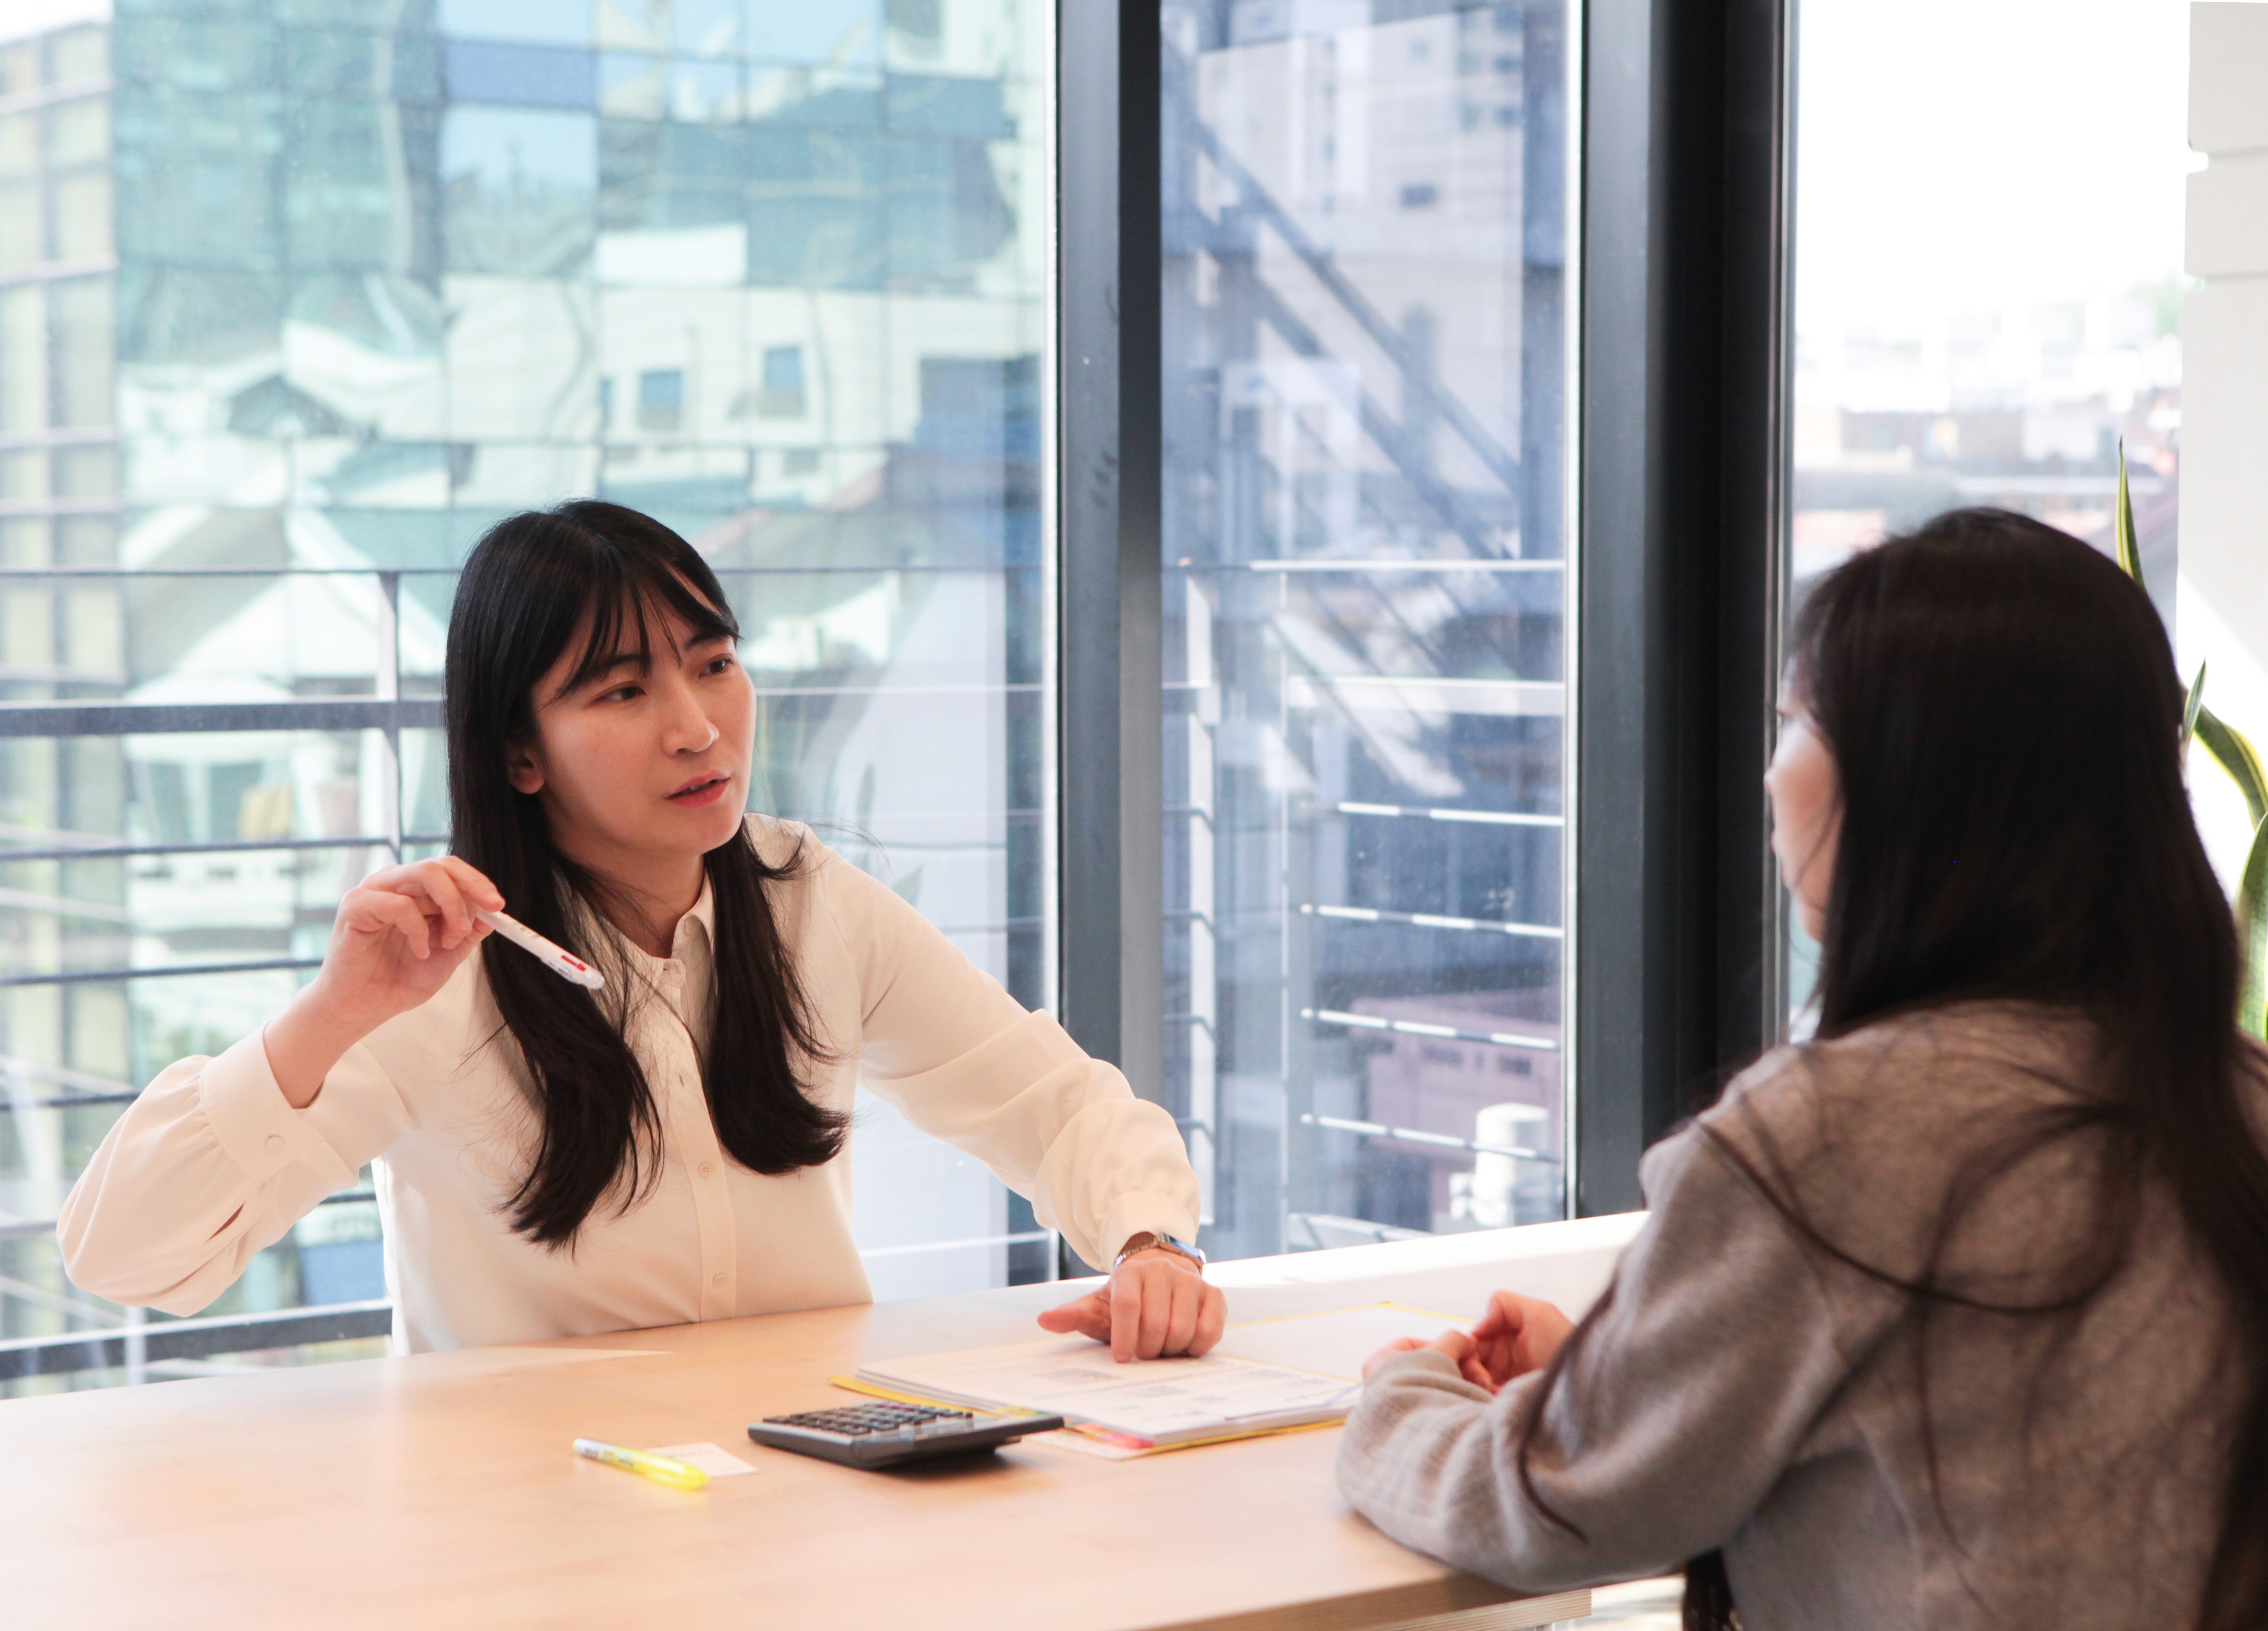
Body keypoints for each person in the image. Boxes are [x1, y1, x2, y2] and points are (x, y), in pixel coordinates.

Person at [1337, 509, 2268, 1630]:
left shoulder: (1828, 1137)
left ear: (1894, 778)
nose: (1770, 774)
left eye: (1788, 721)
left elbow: (1540, 1506)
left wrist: (1401, 1395)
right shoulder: (2230, 1097)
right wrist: (1611, 1368)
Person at [61, 501, 1224, 1362]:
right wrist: (331, 1018)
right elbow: (127, 1257)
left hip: (801, 1487)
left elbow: (1048, 1102)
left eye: (714, 665)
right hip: (536, 1533)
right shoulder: (438, 974)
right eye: (621, 692)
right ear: (519, 753)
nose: (697, 728)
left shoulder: (805, 897)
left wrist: (1148, 1243)